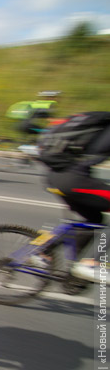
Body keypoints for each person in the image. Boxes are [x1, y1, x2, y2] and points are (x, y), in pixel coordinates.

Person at [44, 111, 110, 281]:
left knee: (94, 219)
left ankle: (44, 251)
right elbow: (97, 152)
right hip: (73, 180)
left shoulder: (96, 121)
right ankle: (91, 263)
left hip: (54, 177)